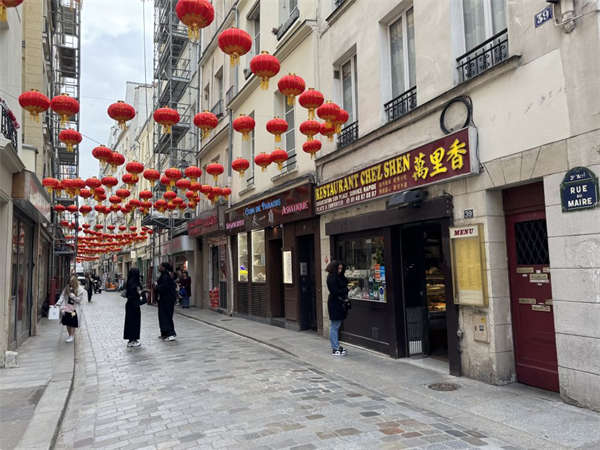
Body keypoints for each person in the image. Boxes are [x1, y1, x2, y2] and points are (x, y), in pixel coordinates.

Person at [326, 261, 350, 356]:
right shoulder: (331, 278)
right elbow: (335, 292)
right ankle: (335, 348)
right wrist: (347, 289)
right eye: (338, 268)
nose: (340, 270)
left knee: (337, 324)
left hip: (339, 303)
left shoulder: (338, 276)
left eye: (341, 268)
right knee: (334, 325)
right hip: (335, 303)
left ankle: (336, 346)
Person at [57, 275, 85, 343]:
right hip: (67, 308)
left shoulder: (80, 289)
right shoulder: (67, 288)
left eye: (72, 282)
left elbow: (79, 300)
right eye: (70, 282)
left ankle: (72, 335)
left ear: (75, 282)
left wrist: (73, 296)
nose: (70, 283)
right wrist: (58, 303)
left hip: (74, 309)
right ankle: (70, 335)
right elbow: (62, 296)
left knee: (72, 322)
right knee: (67, 322)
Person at [155, 262, 177, 341]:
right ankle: (164, 333)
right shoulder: (163, 276)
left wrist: (157, 287)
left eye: (160, 266)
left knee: (167, 316)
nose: (159, 267)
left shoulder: (166, 276)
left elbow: (164, 287)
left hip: (167, 300)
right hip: (163, 300)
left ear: (164, 268)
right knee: (162, 317)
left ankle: (171, 334)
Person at [124, 268, 142, 348]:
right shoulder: (134, 283)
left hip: (130, 305)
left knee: (130, 322)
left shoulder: (129, 282)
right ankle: (132, 340)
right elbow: (135, 294)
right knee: (134, 322)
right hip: (134, 305)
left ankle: (131, 340)